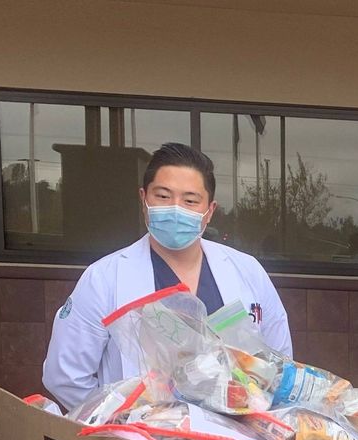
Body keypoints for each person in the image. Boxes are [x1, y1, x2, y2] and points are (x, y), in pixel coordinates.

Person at [43, 142, 291, 409]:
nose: (175, 209)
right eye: (162, 196)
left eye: (190, 200)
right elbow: (65, 376)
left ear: (209, 211)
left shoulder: (247, 270)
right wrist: (121, 420)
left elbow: (279, 364)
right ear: (143, 198)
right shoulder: (104, 278)